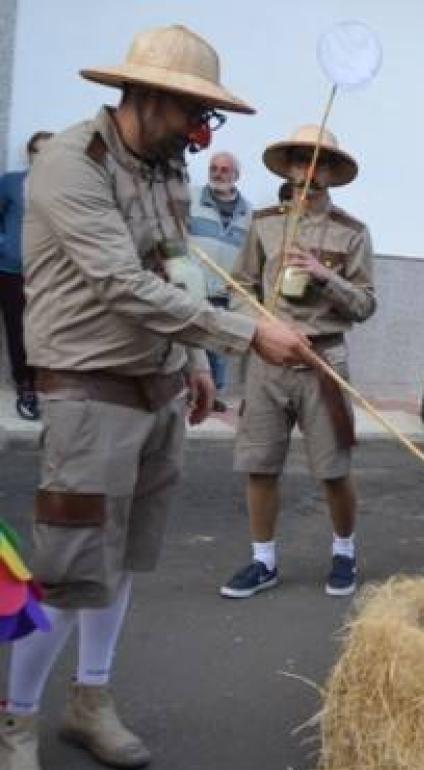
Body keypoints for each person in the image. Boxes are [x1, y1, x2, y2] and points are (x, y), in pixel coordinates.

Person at [0, 25, 309, 770]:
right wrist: (243, 335)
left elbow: (173, 264)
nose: (200, 130)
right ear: (145, 95)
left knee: (125, 560)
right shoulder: (70, 163)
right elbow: (119, 283)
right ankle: (15, 722)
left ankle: (91, 701)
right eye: (191, 111)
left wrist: (197, 357)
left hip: (160, 391)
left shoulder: (168, 169)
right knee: (73, 568)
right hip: (88, 392)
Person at [220, 125, 376, 600]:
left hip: (323, 360)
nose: (310, 170)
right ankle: (263, 561)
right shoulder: (264, 222)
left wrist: (326, 277)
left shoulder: (352, 232)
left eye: (321, 162)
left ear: (331, 171)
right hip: (268, 359)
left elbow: (366, 304)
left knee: (332, 468)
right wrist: (258, 328)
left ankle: (345, 551)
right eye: (301, 160)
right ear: (288, 167)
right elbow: (239, 285)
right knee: (260, 464)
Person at [188, 150, 252, 411]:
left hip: (227, 288)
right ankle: (191, 390)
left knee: (219, 343)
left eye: (225, 169)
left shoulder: (249, 213)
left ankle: (214, 394)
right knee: (191, 339)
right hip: (193, 285)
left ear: (236, 175)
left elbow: (250, 253)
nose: (218, 173)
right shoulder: (191, 198)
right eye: (214, 168)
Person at [0, 130, 53, 420]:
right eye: (38, 151)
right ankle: (26, 386)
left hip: (51, 275)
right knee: (17, 331)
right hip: (12, 272)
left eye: (49, 151)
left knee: (47, 330)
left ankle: (46, 382)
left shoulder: (65, 187)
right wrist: (5, 245)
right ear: (29, 154)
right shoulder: (10, 182)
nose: (43, 157)